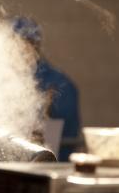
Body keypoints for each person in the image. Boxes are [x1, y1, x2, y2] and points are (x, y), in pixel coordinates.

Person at [12, 16, 81, 160]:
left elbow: (61, 133)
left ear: (33, 46)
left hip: (50, 163)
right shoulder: (8, 78)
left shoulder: (59, 84)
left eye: (17, 44)